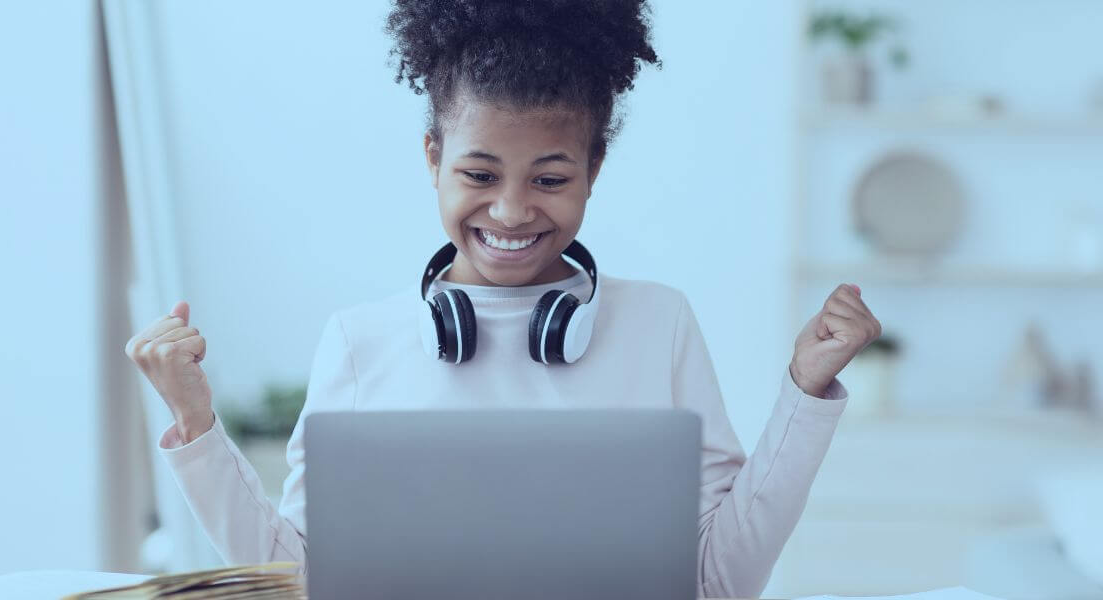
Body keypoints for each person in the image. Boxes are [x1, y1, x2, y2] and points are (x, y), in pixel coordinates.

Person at [124, 0, 882, 596]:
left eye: (550, 179)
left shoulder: (659, 324)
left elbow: (718, 586)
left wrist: (804, 393)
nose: (513, 212)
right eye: (480, 175)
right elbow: (300, 585)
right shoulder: (359, 343)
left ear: (594, 166)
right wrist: (196, 425)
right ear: (433, 158)